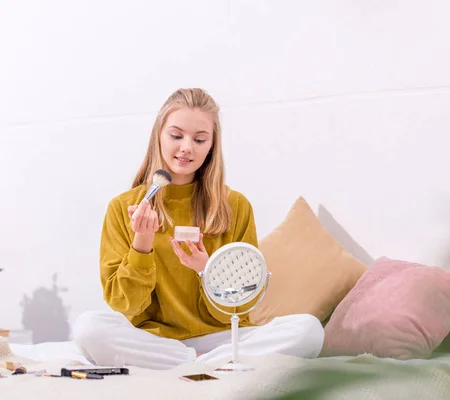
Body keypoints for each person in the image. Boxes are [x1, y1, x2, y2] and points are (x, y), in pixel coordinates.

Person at [73, 88, 324, 370]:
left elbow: (241, 307)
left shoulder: (236, 206)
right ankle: (206, 363)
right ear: (159, 135)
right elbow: (125, 306)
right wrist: (142, 244)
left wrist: (207, 269)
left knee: (308, 330)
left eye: (200, 139)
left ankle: (202, 361)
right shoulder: (123, 207)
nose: (187, 147)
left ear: (212, 145)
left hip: (223, 337)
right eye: (176, 136)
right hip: (156, 342)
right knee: (88, 329)